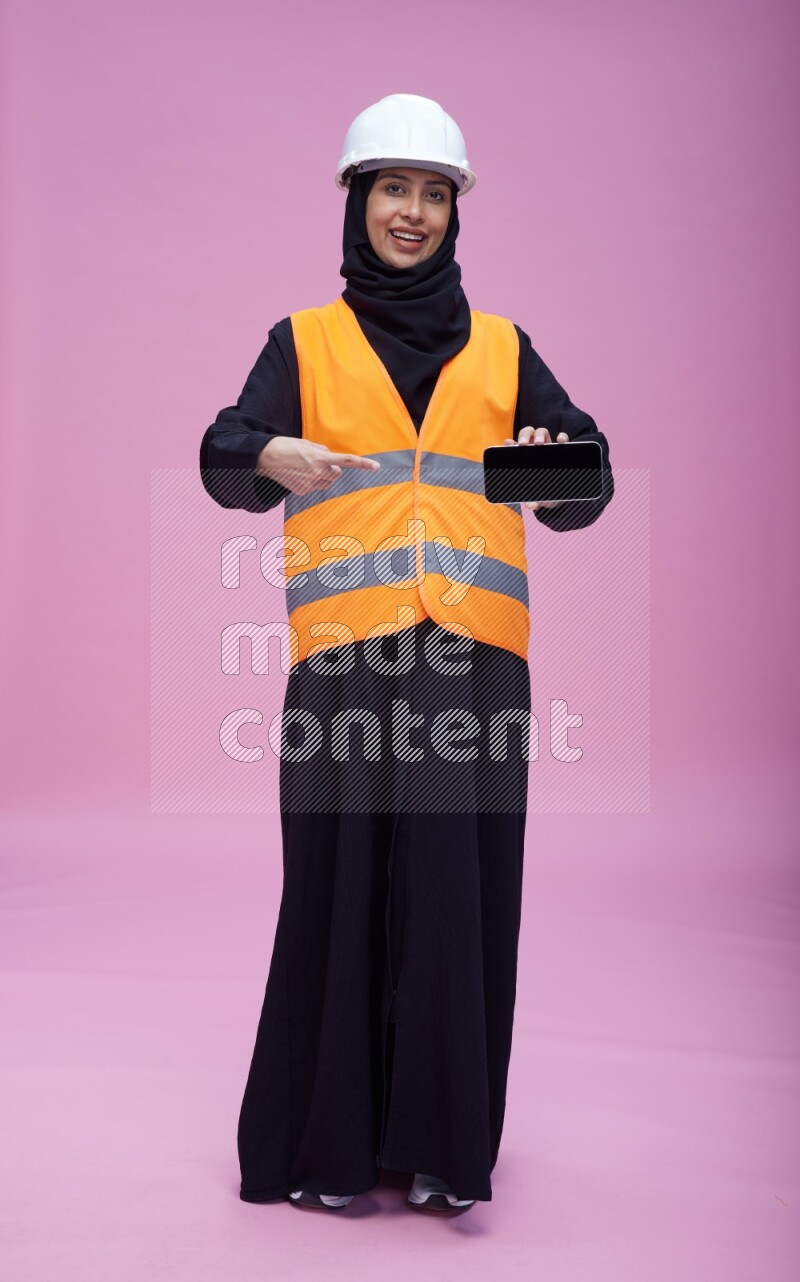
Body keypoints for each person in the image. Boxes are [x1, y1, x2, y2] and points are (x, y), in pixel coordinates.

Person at [199, 93, 614, 1216]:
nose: (413, 213)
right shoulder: (304, 342)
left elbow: (585, 485)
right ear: (356, 198)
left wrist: (547, 460)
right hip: (342, 663)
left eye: (434, 195)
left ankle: (440, 1149)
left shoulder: (502, 348)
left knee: (452, 899)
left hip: (474, 671)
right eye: (393, 188)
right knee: (332, 892)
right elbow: (222, 454)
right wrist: (267, 454)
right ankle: (325, 1149)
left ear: (454, 213)